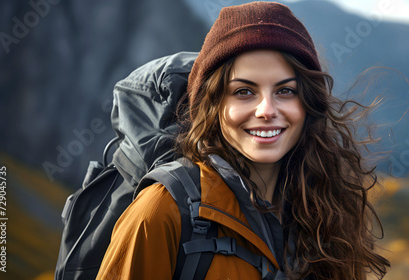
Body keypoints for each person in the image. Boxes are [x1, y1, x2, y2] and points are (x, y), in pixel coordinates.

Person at [96, 2, 390, 279]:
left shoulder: (325, 211)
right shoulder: (161, 212)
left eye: (285, 91)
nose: (267, 110)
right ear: (213, 106)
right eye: (244, 92)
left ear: (308, 104)